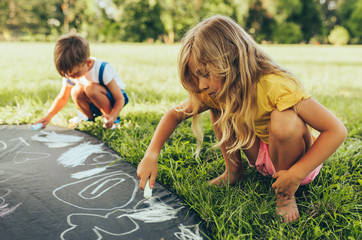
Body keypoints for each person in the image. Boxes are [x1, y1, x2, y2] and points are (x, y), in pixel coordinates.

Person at [137, 15, 347, 222]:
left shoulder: (276, 85)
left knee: (284, 119)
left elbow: (336, 130)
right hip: (264, 158)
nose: (201, 85)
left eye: (205, 74)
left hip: (297, 163)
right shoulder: (215, 88)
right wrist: (151, 154)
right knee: (216, 102)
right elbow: (175, 114)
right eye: (197, 77)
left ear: (231, 60)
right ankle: (234, 172)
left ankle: (285, 195)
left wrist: (297, 174)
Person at [34, 32, 128, 129]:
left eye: (75, 73)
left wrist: (113, 116)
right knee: (75, 90)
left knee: (91, 88)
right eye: (68, 74)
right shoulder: (70, 72)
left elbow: (120, 99)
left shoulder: (102, 69)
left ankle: (110, 120)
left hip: (114, 99)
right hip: (93, 99)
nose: (72, 77)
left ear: (88, 63)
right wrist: (48, 116)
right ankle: (88, 117)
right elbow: (62, 98)